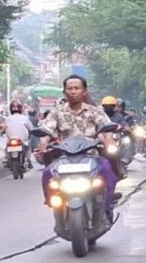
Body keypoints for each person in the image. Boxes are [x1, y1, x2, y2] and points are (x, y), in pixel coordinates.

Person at [37, 75, 122, 219]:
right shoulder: (56, 112)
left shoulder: (94, 111)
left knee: (107, 170)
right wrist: (43, 143)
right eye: (69, 88)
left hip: (91, 155)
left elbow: (105, 126)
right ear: (64, 92)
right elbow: (47, 129)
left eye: (76, 88)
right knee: (47, 174)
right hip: (64, 157)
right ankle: (53, 203)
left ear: (84, 91)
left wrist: (109, 140)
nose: (73, 91)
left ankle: (107, 206)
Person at [3, 100, 33, 169]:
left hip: (11, 140)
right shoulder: (25, 118)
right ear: (21, 109)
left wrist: (1, 131)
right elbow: (31, 128)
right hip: (23, 140)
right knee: (28, 147)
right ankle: (28, 160)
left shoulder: (7, 119)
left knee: (7, 147)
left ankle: (7, 160)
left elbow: (3, 128)